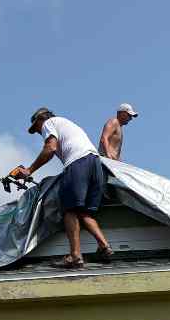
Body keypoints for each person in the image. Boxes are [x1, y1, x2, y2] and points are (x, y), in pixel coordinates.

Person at [14, 107, 113, 269]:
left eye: (37, 128)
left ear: (41, 119)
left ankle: (75, 256)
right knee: (84, 212)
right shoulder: (67, 124)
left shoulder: (49, 123)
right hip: (95, 164)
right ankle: (104, 246)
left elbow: (50, 148)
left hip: (78, 163)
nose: (39, 132)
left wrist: (29, 170)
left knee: (69, 210)